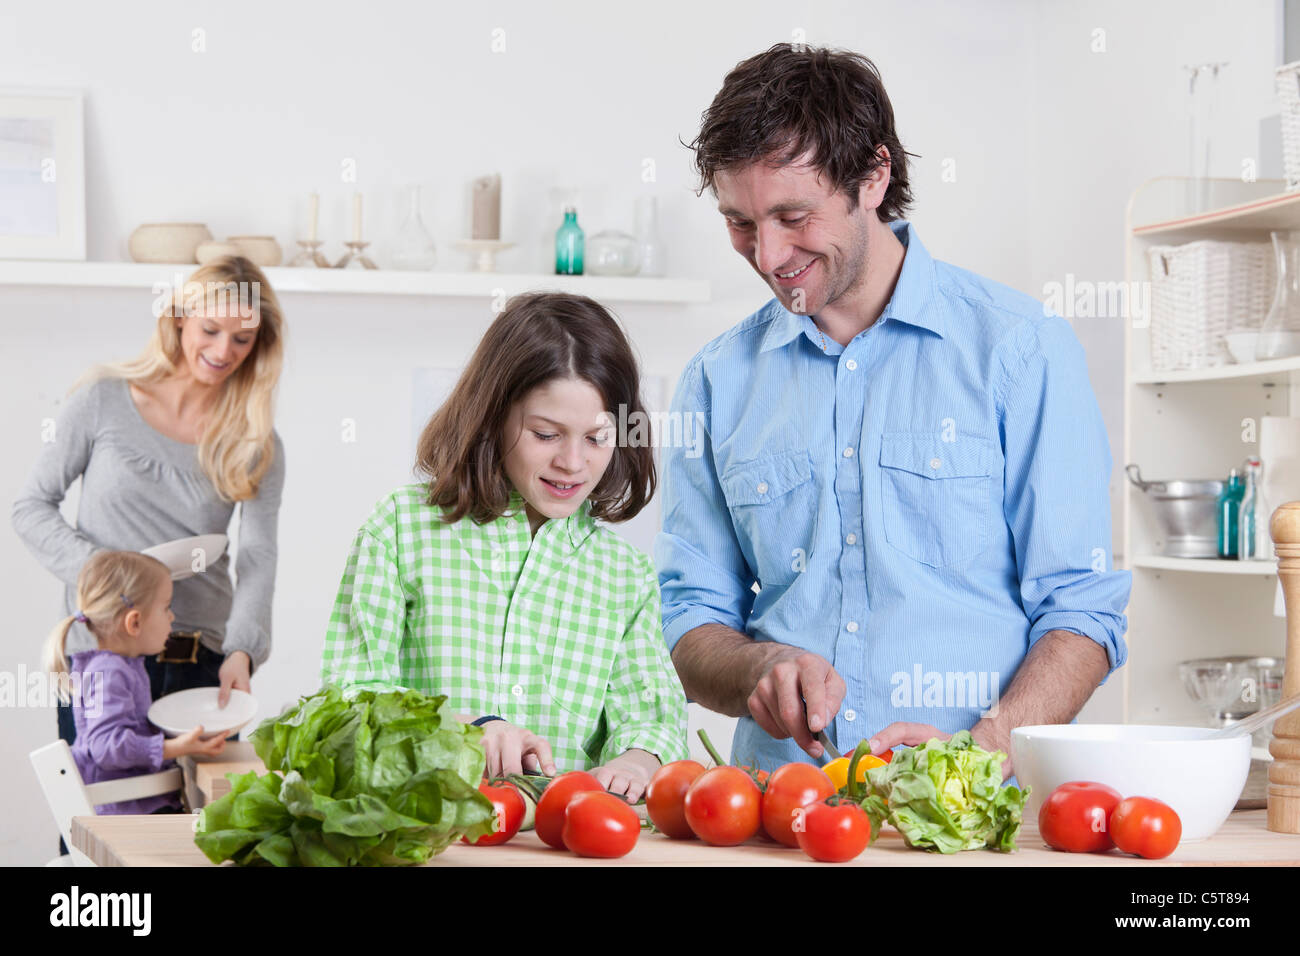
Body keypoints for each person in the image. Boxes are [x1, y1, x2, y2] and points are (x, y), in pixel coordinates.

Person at [656, 44, 1131, 776]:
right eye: (741, 222)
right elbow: (691, 621)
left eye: (793, 215)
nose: (768, 253)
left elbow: (1081, 612)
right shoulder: (716, 381)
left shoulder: (1020, 350)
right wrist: (759, 667)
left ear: (872, 176)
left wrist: (978, 759)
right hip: (775, 816)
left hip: (966, 821)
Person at [321, 291, 689, 802]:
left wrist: (636, 760)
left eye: (597, 438)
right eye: (545, 434)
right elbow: (348, 701)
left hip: (561, 845)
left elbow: (652, 717)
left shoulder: (623, 572)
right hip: (427, 838)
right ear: (492, 417)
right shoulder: (402, 529)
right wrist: (462, 729)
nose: (573, 462)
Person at [12, 255, 287, 758]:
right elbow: (30, 507)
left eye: (242, 339)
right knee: (100, 820)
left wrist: (243, 649)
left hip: (201, 664)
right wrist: (106, 573)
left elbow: (258, 556)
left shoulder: (256, 441)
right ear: (180, 316)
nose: (223, 350)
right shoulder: (103, 399)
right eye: (210, 329)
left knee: (200, 830)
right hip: (101, 655)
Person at [44, 550, 226, 816]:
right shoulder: (109, 672)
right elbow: (105, 746)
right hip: (128, 812)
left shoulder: (123, 667)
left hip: (142, 802)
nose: (172, 618)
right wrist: (174, 748)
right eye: (166, 608)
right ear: (135, 622)